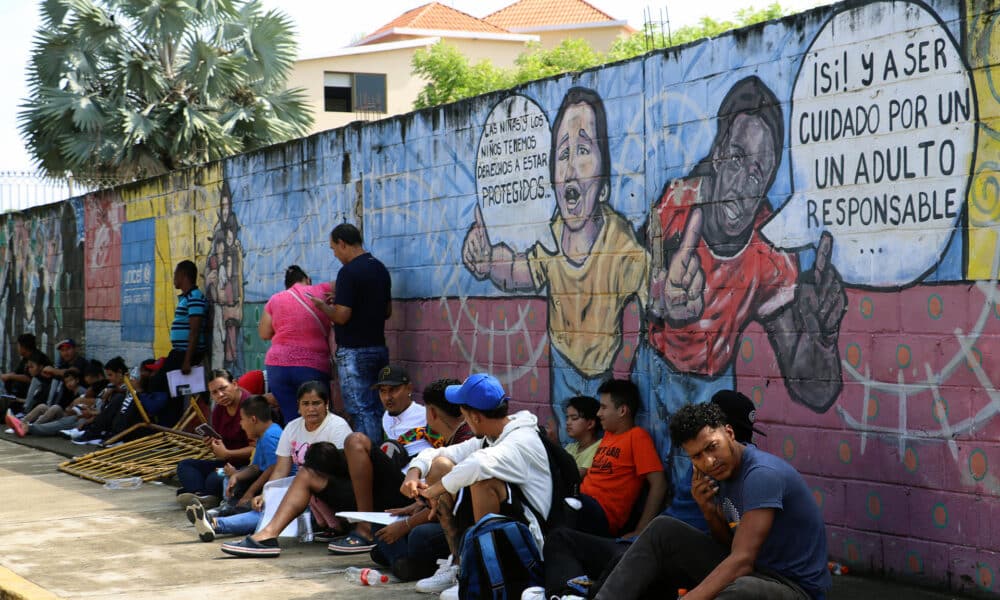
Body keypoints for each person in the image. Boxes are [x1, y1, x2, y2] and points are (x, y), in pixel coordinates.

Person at [636, 75, 848, 529]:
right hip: (651, 371)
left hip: (710, 386)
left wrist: (825, 338)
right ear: (716, 154)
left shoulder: (769, 253)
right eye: (735, 158)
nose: (742, 182)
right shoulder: (676, 203)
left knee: (701, 503)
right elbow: (628, 287)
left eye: (759, 172)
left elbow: (813, 387)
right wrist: (657, 299)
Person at [461, 87, 649, 444]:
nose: (571, 166)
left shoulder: (622, 245)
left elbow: (651, 292)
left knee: (599, 442)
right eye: (563, 153)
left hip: (603, 372)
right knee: (565, 435)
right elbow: (521, 270)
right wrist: (487, 261)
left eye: (583, 150)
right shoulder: (551, 238)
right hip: (562, 362)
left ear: (604, 184)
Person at [537, 390, 766, 599]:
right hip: (643, 541)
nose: (707, 458)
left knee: (623, 555)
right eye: (699, 453)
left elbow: (738, 551)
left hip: (662, 551)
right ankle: (569, 594)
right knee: (561, 538)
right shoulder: (708, 460)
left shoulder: (743, 469)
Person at [592, 402, 831, 600]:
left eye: (712, 447)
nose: (708, 461)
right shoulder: (717, 474)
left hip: (793, 588)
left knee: (741, 591)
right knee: (662, 530)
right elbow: (732, 546)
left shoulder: (761, 475)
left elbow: (742, 560)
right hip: (754, 571)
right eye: (697, 456)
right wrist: (709, 511)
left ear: (729, 433)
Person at [400, 373, 552, 600]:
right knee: (440, 465)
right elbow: (439, 453)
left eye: (464, 415)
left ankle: (485, 573)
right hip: (510, 528)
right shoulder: (492, 435)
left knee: (482, 482)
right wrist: (414, 473)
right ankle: (460, 567)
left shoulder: (521, 440)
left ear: (475, 417)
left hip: (532, 541)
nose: (463, 421)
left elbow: (478, 464)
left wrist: (432, 491)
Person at [218, 381, 352, 557]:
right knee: (265, 505)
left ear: (326, 404)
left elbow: (343, 471)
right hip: (306, 493)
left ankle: (222, 525)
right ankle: (258, 533)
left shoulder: (337, 427)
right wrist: (266, 493)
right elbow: (281, 469)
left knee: (291, 495)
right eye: (306, 404)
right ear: (298, 407)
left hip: (334, 494)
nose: (311, 409)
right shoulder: (292, 427)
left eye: (316, 403)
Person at [325, 364, 439, 554]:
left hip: (415, 488)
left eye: (394, 390)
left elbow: (441, 452)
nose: (387, 397)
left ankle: (365, 528)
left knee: (355, 441)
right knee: (318, 460)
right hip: (394, 483)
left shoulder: (425, 415)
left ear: (409, 388)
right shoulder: (386, 417)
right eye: (383, 391)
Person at [370, 378, 471, 583]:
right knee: (381, 527)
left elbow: (452, 505)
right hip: (450, 515)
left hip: (466, 526)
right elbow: (431, 459)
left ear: (431, 413)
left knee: (418, 535)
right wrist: (418, 505)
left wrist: (407, 524)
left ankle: (417, 563)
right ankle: (401, 559)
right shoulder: (456, 438)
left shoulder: (469, 438)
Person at [309, 223, 392, 443]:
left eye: (333, 248)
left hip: (354, 352)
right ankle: (381, 456)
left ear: (342, 243)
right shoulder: (380, 268)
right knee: (377, 407)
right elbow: (387, 311)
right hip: (378, 347)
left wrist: (323, 307)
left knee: (361, 410)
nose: (335, 254)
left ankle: (367, 459)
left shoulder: (348, 272)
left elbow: (342, 316)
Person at [572, 379, 665, 538]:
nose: (598, 413)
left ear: (622, 411)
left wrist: (640, 531)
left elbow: (659, 484)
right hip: (582, 501)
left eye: (603, 407)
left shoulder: (637, 437)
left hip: (602, 513)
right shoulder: (608, 435)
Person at [186, 394, 283, 542]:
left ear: (253, 419)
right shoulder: (265, 435)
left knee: (262, 516)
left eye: (242, 420)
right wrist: (237, 476)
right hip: (269, 489)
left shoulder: (271, 436)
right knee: (236, 488)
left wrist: (250, 493)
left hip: (281, 492)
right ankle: (219, 515)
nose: (241, 425)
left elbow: (274, 467)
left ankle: (215, 523)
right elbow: (256, 466)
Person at [258, 265, 334, 423]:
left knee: (292, 420)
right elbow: (345, 284)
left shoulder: (275, 299)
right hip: (311, 365)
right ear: (308, 280)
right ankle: (317, 448)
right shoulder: (321, 290)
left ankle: (296, 447)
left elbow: (264, 333)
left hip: (278, 367)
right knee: (318, 419)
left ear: (287, 285)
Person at [175, 369, 252, 508]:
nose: (220, 395)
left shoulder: (249, 406)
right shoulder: (218, 410)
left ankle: (199, 494)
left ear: (234, 384)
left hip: (246, 467)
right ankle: (201, 496)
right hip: (226, 464)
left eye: (223, 388)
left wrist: (228, 454)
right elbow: (221, 449)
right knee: (185, 466)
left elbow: (257, 448)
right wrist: (213, 445)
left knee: (213, 479)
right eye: (214, 392)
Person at [153, 260, 208, 427]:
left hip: (184, 354)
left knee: (160, 384)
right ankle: (169, 426)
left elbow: (195, 329)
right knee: (170, 391)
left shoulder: (194, 297)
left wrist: (187, 360)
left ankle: (169, 426)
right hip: (179, 352)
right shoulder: (186, 298)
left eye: (176, 275)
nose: (174, 279)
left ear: (183, 275)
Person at [563, 395, 602, 478]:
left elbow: (577, 476)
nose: (568, 422)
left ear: (590, 424)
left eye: (574, 418)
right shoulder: (570, 447)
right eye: (567, 418)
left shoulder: (598, 449)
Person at [1, 333, 37, 399]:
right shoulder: (25, 358)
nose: (17, 348)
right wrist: (6, 376)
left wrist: (10, 376)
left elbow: (30, 378)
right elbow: (16, 372)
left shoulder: (36, 359)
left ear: (23, 347)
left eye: (18, 345)